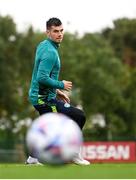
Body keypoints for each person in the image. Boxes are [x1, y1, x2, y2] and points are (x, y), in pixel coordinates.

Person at [26, 17, 90, 165]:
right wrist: (60, 84)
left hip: (40, 96)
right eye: (55, 31)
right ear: (47, 32)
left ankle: (32, 158)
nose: (60, 34)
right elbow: (42, 77)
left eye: (61, 31)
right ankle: (73, 154)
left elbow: (40, 75)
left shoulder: (43, 45)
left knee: (48, 127)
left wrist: (56, 91)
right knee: (78, 116)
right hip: (43, 99)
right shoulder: (50, 52)